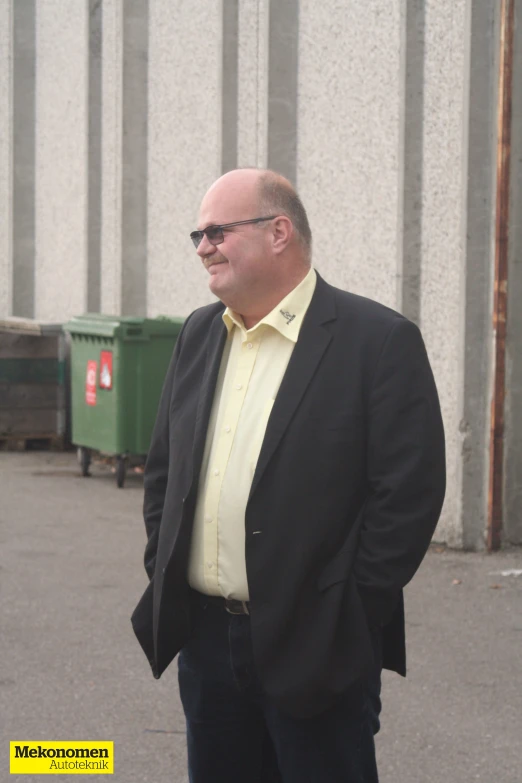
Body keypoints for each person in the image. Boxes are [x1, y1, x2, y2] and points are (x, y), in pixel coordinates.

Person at [131, 168, 446, 782]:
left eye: (217, 231)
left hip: (318, 646)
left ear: (279, 232)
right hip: (206, 643)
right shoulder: (199, 334)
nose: (202, 247)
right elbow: (165, 473)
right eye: (197, 234)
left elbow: (407, 497)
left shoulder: (377, 341)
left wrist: (350, 615)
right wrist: (164, 566)